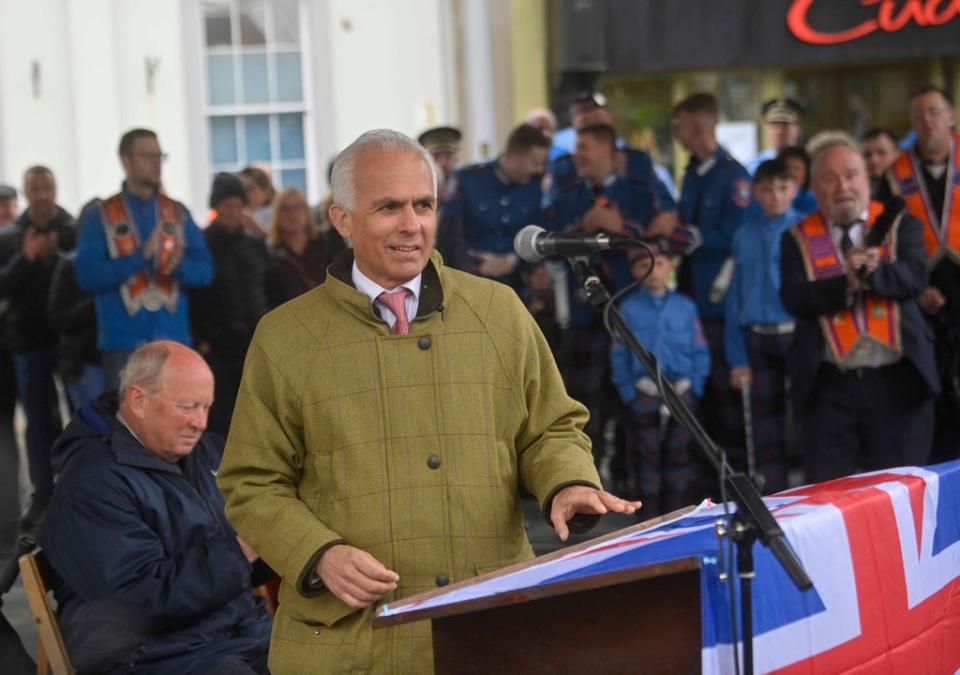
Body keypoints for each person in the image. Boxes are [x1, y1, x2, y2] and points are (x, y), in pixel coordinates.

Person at [216, 129, 638, 673]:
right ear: (342, 219)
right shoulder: (285, 338)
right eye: (388, 206)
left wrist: (568, 482)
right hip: (353, 642)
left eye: (424, 205)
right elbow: (250, 483)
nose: (412, 225)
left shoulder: (498, 311)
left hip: (486, 630)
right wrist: (318, 554)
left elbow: (552, 428)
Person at [39, 341, 272, 674]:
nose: (201, 423)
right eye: (188, 406)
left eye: (206, 407)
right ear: (139, 400)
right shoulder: (92, 484)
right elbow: (144, 601)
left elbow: (244, 562)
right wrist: (246, 545)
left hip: (231, 633)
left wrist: (289, 538)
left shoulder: (203, 452)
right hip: (152, 654)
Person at [780, 132, 938, 482]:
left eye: (851, 175)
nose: (843, 186)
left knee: (903, 493)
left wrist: (875, 273)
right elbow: (794, 298)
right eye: (830, 178)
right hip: (831, 387)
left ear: (867, 179)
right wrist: (845, 283)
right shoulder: (796, 237)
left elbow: (915, 279)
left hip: (898, 381)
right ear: (816, 188)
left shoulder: (901, 223)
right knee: (829, 498)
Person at [74, 128, 214, 389]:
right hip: (123, 344)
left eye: (160, 155)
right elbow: (86, 276)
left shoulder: (177, 212)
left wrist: (178, 266)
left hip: (173, 340)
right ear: (125, 160)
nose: (156, 162)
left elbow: (206, 271)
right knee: (125, 426)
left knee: (174, 425)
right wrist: (140, 258)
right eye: (147, 155)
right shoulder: (100, 216)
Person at [670, 92, 752, 464]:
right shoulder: (691, 173)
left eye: (680, 127)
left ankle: (733, 472)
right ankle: (706, 471)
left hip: (719, 301)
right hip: (690, 300)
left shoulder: (732, 175)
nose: (677, 135)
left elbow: (738, 236)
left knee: (724, 393)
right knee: (699, 390)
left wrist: (693, 238)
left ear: (701, 125)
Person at [879, 86, 960, 461]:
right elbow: (885, 240)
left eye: (934, 111)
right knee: (932, 400)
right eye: (918, 115)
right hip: (920, 300)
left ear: (951, 116)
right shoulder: (896, 174)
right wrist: (915, 291)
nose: (927, 121)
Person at [0, 165, 75, 533]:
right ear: (27, 193)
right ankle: (44, 493)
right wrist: (27, 258)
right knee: (38, 422)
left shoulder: (72, 229)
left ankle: (77, 492)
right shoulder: (10, 236)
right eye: (35, 188)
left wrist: (55, 256)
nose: (43, 195)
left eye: (47, 187)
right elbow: (4, 286)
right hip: (27, 342)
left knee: (78, 418)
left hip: (69, 339)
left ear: (55, 188)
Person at [611, 246, 710, 516]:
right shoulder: (628, 308)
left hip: (681, 388)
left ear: (671, 267)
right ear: (634, 271)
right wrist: (627, 391)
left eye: (659, 264)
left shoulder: (685, 306)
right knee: (646, 457)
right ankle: (648, 519)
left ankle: (678, 516)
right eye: (644, 266)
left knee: (680, 456)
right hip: (644, 390)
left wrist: (696, 386)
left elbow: (699, 347)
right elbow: (619, 352)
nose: (652, 272)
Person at [725, 159, 800, 493]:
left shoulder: (804, 229)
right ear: (755, 192)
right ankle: (775, 495)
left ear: (795, 189)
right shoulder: (744, 234)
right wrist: (737, 356)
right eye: (767, 189)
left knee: (806, 416)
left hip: (797, 333)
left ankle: (810, 489)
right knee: (764, 426)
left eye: (783, 188)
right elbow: (735, 298)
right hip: (756, 336)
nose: (775, 196)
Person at [190, 173, 273, 437]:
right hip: (218, 346)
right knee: (221, 421)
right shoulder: (202, 245)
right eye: (227, 205)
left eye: (239, 206)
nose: (233, 212)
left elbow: (269, 290)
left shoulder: (255, 245)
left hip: (256, 344)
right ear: (216, 206)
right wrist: (201, 339)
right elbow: (194, 296)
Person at [441, 123, 551, 291]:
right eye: (535, 162)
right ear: (514, 159)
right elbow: (449, 239)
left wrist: (534, 271)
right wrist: (477, 265)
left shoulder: (534, 187)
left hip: (515, 287)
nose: (539, 169)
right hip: (470, 283)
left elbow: (535, 235)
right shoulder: (467, 179)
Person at [268, 186, 330, 303]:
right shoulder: (270, 253)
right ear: (277, 214)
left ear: (307, 212)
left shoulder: (325, 245)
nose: (292, 215)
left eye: (298, 207)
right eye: (285, 209)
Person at [747, 98, 805, 175]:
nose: (779, 131)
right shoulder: (755, 165)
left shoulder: (807, 163)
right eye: (774, 124)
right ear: (767, 128)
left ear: (797, 128)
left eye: (785, 124)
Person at [777, 146, 818, 217]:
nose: (791, 172)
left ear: (807, 172)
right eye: (787, 167)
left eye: (796, 168)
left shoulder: (813, 199)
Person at [417, 125, 462, 191]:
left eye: (448, 156)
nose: (442, 163)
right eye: (435, 157)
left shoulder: (466, 186)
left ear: (456, 159)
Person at [860, 127, 899, 197]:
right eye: (867, 155)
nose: (874, 160)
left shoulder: (915, 186)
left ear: (896, 154)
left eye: (881, 153)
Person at [239, 165, 276, 236]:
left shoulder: (278, 213)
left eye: (250, 189)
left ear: (266, 191)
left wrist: (256, 229)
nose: (245, 193)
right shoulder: (239, 213)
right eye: (242, 188)